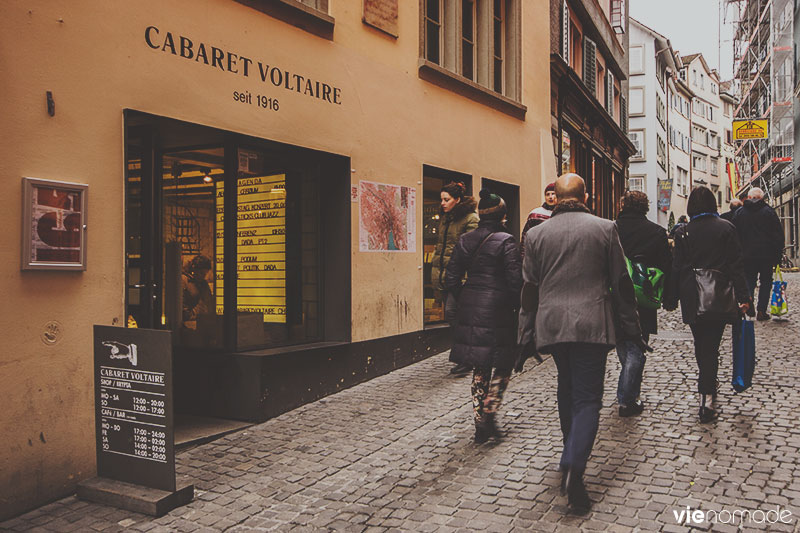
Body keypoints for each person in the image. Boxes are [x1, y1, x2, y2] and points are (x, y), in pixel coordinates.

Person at [521, 174, 646, 513]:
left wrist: (524, 334)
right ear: (585, 195)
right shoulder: (604, 228)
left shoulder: (535, 234)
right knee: (588, 396)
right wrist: (631, 327)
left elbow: (529, 289)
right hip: (592, 323)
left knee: (567, 386)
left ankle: (569, 450)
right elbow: (621, 282)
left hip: (553, 324)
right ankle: (575, 465)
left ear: (555, 198)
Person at [665, 186, 750, 423]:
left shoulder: (683, 232)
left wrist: (670, 297)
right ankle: (708, 396)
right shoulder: (726, 228)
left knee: (702, 345)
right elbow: (736, 265)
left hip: (692, 296)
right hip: (719, 295)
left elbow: (677, 267)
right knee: (711, 345)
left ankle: (707, 391)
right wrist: (744, 297)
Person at [444, 190, 522, 444]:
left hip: (472, 307)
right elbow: (514, 281)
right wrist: (514, 305)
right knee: (503, 363)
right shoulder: (506, 240)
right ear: (502, 215)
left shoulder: (465, 240)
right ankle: (490, 411)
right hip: (498, 309)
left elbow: (451, 278)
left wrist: (467, 295)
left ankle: (479, 421)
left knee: (480, 367)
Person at [614, 191, 672, 417]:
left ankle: (629, 394)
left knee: (623, 342)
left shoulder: (612, 228)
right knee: (638, 343)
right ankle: (628, 398)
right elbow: (667, 266)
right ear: (645, 207)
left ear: (622, 205)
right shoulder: (656, 232)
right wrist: (668, 297)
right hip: (645, 295)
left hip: (616, 294)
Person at [430, 182, 480, 375]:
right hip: (446, 275)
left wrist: (465, 277)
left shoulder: (471, 219)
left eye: (446, 199)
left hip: (460, 278)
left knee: (454, 313)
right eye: (441, 199)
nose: (442, 203)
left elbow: (470, 252)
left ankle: (468, 357)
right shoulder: (446, 218)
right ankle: (467, 354)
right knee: (455, 316)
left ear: (457, 200)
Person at [732, 187, 784, 320]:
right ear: (762, 198)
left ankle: (748, 305)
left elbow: (734, 236)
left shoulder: (739, 213)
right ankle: (762, 310)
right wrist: (777, 257)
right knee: (766, 282)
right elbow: (778, 236)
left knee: (749, 280)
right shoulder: (769, 212)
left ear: (749, 198)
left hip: (746, 255)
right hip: (766, 255)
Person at [520, 182, 556, 253]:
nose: (550, 197)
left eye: (553, 194)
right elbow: (525, 236)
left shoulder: (561, 214)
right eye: (547, 194)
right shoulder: (535, 214)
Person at [182, 255, 214, 324]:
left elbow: (209, 302)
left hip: (204, 321)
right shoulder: (184, 281)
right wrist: (194, 312)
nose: (203, 276)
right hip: (189, 321)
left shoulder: (203, 284)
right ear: (194, 269)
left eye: (205, 274)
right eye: (201, 273)